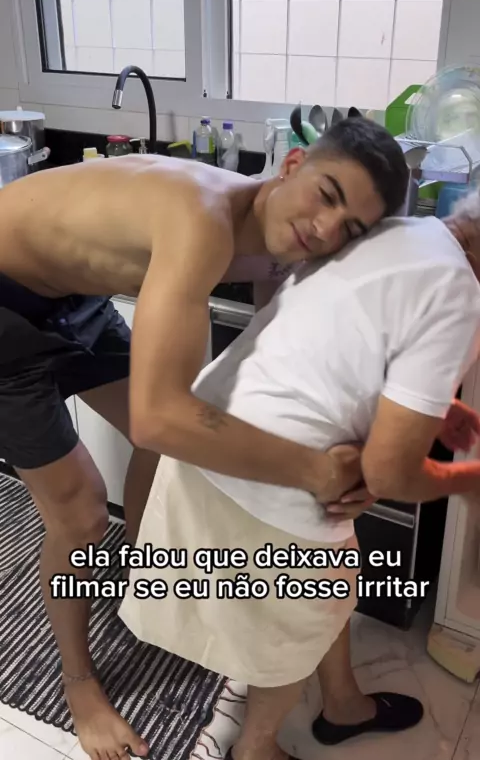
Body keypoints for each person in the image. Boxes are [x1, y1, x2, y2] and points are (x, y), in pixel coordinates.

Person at [0, 117, 408, 760]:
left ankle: (148, 582)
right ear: (292, 165)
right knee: (81, 513)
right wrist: (311, 471)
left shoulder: (286, 243)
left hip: (73, 297)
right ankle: (79, 687)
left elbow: (278, 361)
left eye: (350, 228)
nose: (327, 228)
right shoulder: (202, 219)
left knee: (164, 448)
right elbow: (162, 415)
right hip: (4, 307)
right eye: (327, 196)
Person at [119, 194, 480, 760]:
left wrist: (433, 405)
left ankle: (342, 703)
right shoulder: (459, 295)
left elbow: (352, 348)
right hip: (270, 477)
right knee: (290, 634)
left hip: (212, 438)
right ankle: (255, 750)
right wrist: (468, 480)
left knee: (329, 588)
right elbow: (390, 472)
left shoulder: (397, 231)